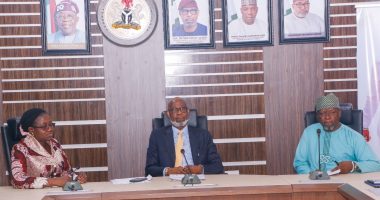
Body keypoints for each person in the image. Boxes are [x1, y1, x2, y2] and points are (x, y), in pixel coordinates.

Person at [294, 93, 380, 174]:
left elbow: (375, 164)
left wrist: (353, 166)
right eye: (322, 113)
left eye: (332, 112)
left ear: (339, 113)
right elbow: (299, 162)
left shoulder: (353, 137)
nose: (327, 116)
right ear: (317, 116)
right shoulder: (309, 133)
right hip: (314, 184)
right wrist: (310, 174)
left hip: (344, 185)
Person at [145, 97, 224, 176]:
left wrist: (200, 169)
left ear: (188, 112)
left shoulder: (204, 135)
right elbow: (150, 169)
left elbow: (218, 166)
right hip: (168, 182)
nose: (180, 112)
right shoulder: (157, 136)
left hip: (197, 181)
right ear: (168, 114)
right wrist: (168, 171)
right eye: (175, 110)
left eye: (183, 109)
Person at [11, 108, 87, 189]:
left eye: (51, 125)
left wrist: (75, 177)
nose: (50, 129)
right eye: (44, 126)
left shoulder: (55, 144)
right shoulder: (20, 149)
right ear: (31, 130)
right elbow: (17, 179)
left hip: (58, 193)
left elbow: (66, 171)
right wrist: (51, 182)